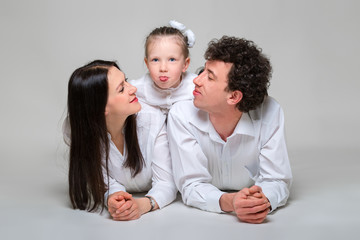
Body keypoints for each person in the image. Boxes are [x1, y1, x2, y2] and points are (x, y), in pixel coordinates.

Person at [167, 36, 293, 224]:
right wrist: (231, 202)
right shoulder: (181, 114)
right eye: (202, 70)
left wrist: (260, 202)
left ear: (234, 96)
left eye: (209, 77)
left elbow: (277, 179)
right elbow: (191, 184)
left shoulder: (270, 113)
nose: (196, 80)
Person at [64, 60, 177, 221]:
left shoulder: (153, 119)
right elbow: (100, 176)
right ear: (100, 107)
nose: (133, 89)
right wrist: (114, 197)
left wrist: (142, 205)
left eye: (126, 80)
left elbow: (166, 183)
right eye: (122, 88)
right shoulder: (76, 130)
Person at [129, 20, 197, 115]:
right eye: (155, 60)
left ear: (185, 64)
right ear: (147, 64)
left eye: (172, 59)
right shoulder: (138, 88)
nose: (163, 68)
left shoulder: (194, 86)